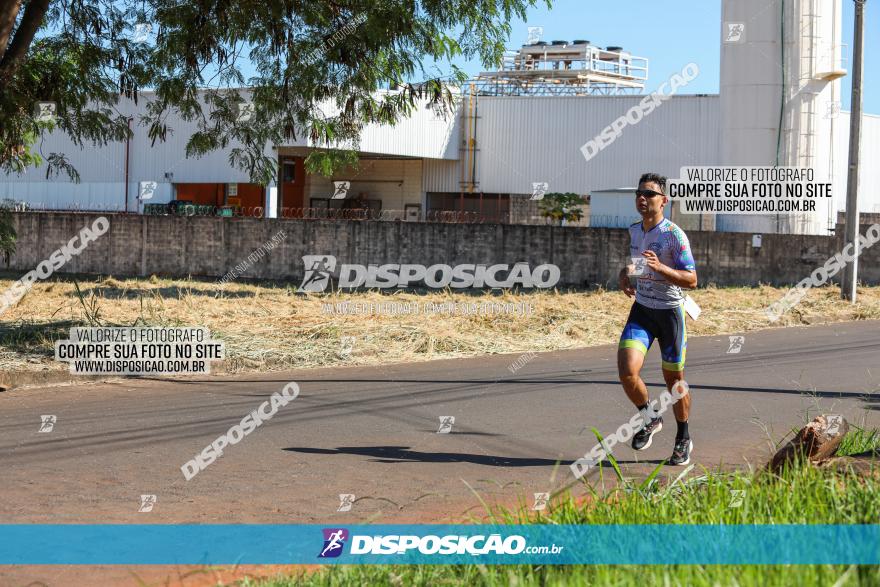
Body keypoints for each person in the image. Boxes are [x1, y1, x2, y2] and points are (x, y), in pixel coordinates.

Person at [617, 172, 697, 465]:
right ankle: (649, 417)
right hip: (643, 309)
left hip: (670, 314)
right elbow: (639, 262)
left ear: (663, 201)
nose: (642, 198)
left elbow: (692, 280)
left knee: (674, 383)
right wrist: (625, 275)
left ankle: (683, 436)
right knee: (627, 370)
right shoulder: (635, 230)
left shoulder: (674, 235)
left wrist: (661, 268)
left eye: (649, 194)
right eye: (639, 193)